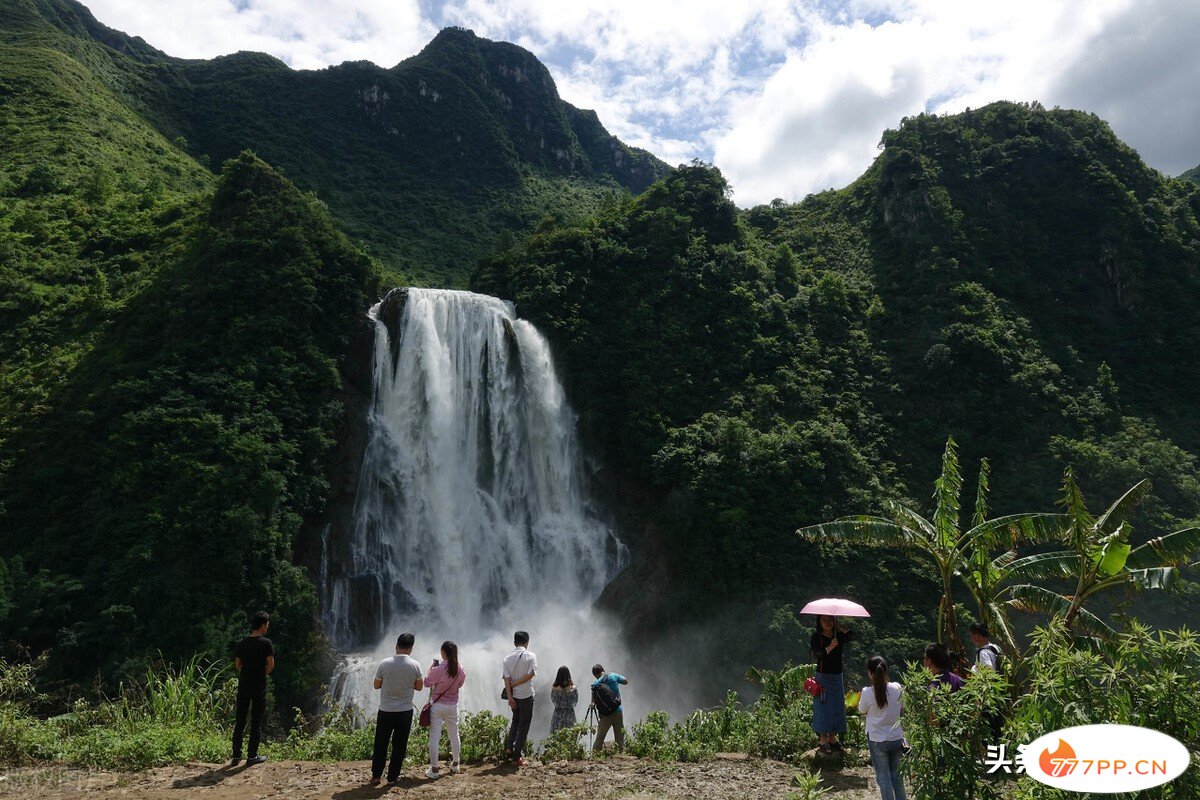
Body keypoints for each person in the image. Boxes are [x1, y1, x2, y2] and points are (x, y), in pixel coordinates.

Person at [370, 632, 424, 786]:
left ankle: (376, 776)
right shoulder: (415, 665)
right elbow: (419, 687)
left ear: (396, 646)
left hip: (386, 710)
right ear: (411, 648)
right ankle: (393, 777)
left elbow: (376, 685)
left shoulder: (384, 663)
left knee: (381, 743)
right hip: (405, 712)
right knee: (399, 745)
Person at [857, 656, 907, 800]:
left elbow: (861, 710)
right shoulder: (897, 687)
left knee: (884, 779)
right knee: (897, 777)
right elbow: (902, 709)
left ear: (869, 673)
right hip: (896, 737)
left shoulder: (867, 692)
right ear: (886, 671)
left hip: (877, 740)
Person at [231, 610, 274, 766]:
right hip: (259, 686)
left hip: (244, 686)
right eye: (267, 624)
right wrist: (260, 673)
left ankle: (236, 756)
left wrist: (248, 671)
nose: (268, 626)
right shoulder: (266, 643)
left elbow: (238, 665)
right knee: (256, 721)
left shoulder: (242, 643)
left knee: (240, 720)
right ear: (263, 625)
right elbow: (271, 665)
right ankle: (252, 756)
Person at [810, 614, 855, 753]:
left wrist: (839, 627)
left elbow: (852, 635)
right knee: (823, 706)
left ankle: (832, 738)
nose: (827, 622)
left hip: (837, 675)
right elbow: (817, 655)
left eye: (830, 619)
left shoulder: (838, 635)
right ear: (819, 621)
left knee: (836, 705)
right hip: (823, 676)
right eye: (824, 620)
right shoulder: (816, 637)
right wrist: (831, 646)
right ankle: (823, 740)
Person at [424, 641, 467, 779]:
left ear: (443, 653)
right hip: (452, 706)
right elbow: (460, 684)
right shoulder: (460, 669)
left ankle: (434, 769)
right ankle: (456, 764)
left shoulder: (438, 669)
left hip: (437, 706)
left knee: (435, 737)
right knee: (454, 735)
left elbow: (426, 683)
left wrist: (431, 669)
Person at [502, 630, 537, 765]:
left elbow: (506, 679)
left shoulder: (507, 659)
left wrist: (510, 697)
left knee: (515, 721)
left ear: (514, 642)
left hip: (514, 697)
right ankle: (517, 758)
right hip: (526, 695)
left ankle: (509, 747)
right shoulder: (531, 656)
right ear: (527, 642)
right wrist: (516, 683)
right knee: (524, 725)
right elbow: (530, 675)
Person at [590, 664, 628, 752]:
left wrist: (592, 704)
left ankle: (595, 756)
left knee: (600, 738)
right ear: (603, 670)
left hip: (605, 715)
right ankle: (620, 755)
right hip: (618, 711)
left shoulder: (596, 684)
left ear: (595, 675)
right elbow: (625, 681)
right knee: (619, 736)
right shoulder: (613, 675)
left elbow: (594, 702)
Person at [550, 666, 578, 733]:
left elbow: (554, 702)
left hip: (558, 715)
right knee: (570, 736)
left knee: (556, 736)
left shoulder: (554, 689)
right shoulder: (573, 689)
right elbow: (575, 703)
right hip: (569, 715)